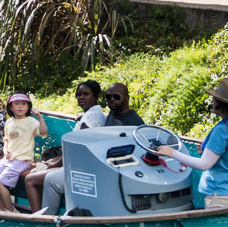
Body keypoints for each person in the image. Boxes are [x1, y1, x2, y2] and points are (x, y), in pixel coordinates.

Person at [35, 82, 148, 215]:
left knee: (51, 180)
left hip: (108, 173)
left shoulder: (132, 123)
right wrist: (84, 116)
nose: (112, 100)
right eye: (108, 97)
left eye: (116, 97)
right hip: (98, 166)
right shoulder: (114, 112)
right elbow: (102, 117)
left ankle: (46, 222)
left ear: (127, 98)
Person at [157, 79, 228, 209]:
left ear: (220, 105)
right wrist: (209, 150)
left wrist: (172, 153)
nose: (212, 102)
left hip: (223, 197)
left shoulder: (222, 130)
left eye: (215, 99)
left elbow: (203, 165)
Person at [0, 93, 46, 209]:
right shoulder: (9, 122)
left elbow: (43, 132)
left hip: (21, 160)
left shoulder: (31, 122)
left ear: (28, 107)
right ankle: (3, 207)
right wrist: (5, 150)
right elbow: (6, 139)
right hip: (7, 159)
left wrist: (39, 117)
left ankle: (10, 209)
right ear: (11, 107)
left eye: (23, 104)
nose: (20, 106)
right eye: (16, 104)